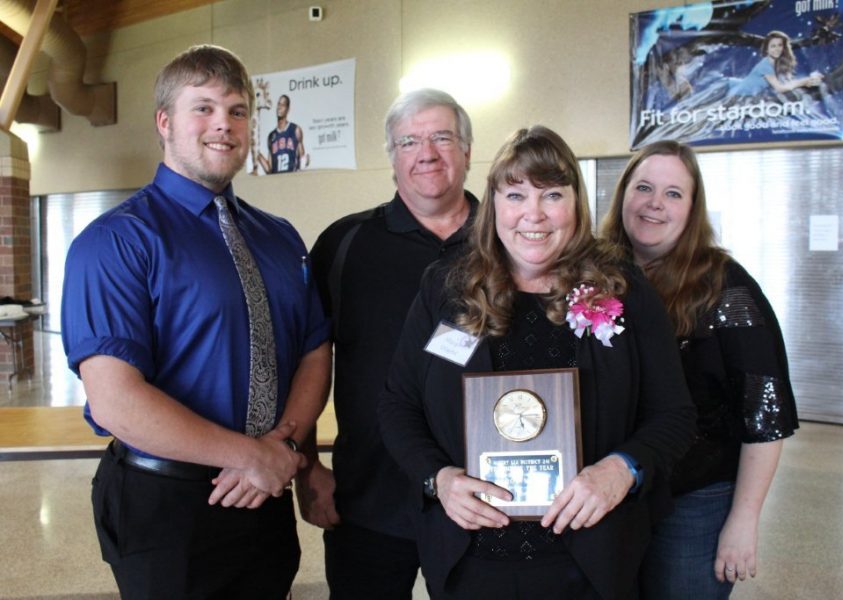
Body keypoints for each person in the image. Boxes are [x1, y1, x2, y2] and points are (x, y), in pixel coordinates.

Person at [377, 126, 697, 599]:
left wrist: (622, 470)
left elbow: (675, 415)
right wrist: (438, 479)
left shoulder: (622, 287)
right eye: (515, 194)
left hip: (590, 560)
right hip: (470, 559)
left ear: (576, 203)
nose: (534, 214)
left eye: (552, 194)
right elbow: (397, 404)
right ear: (494, 203)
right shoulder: (446, 287)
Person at [61, 45, 331, 599]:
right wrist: (251, 456)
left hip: (264, 497)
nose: (223, 125)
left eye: (236, 111)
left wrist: (283, 451)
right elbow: (116, 401)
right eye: (203, 108)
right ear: (165, 122)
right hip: (166, 505)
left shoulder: (280, 237)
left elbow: (313, 349)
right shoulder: (116, 241)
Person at [599, 140, 799, 599]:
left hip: (695, 499)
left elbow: (765, 416)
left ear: (693, 208)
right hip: (611, 492)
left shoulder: (724, 287)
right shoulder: (595, 273)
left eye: (673, 193)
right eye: (644, 187)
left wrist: (744, 520)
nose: (655, 203)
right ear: (623, 194)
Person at [298, 88, 478, 599]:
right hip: (368, 499)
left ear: (467, 150)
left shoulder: (509, 239)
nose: (427, 152)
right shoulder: (344, 244)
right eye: (410, 141)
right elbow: (308, 362)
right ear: (392, 158)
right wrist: (307, 468)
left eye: (442, 137)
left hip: (484, 498)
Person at [729, 30, 822, 97]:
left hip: (744, 92)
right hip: (736, 94)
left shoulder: (776, 63)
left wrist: (808, 81)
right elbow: (780, 88)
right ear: (767, 49)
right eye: (773, 46)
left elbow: (786, 83)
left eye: (780, 45)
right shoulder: (766, 65)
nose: (777, 49)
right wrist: (804, 81)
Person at [258, 93, 309, 173]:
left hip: (291, 180)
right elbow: (269, 170)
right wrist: (257, 154)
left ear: (287, 109)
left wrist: (305, 161)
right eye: (278, 104)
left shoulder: (296, 130)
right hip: (277, 182)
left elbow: (302, 163)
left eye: (283, 105)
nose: (279, 107)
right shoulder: (271, 136)